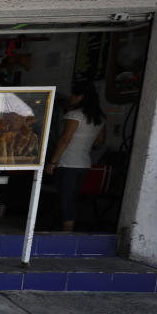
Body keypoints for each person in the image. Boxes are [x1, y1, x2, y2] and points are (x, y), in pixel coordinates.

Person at [44, 81, 106, 231]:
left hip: (68, 163)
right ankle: (66, 228)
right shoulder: (100, 118)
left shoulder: (74, 115)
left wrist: (52, 162)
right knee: (71, 198)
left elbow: (65, 140)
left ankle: (67, 234)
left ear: (80, 97)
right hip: (84, 164)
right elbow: (99, 142)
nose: (70, 97)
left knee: (66, 199)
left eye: (73, 94)